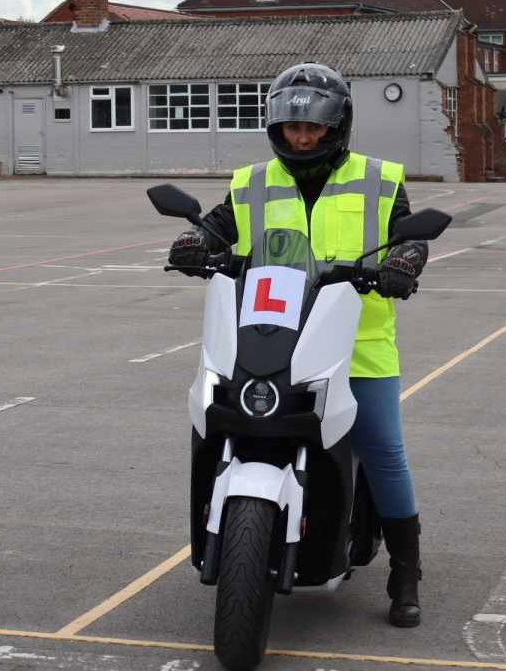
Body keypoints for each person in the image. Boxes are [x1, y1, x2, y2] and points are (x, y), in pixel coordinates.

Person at [169, 62, 428, 628]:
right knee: (219, 421)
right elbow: (214, 227)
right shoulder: (252, 182)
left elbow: (405, 233)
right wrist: (192, 241)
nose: (302, 137)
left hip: (357, 343)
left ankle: (405, 570)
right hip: (267, 337)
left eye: (313, 129)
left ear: (337, 127)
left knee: (383, 450)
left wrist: (406, 260)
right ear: (276, 127)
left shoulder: (379, 178)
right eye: (292, 128)